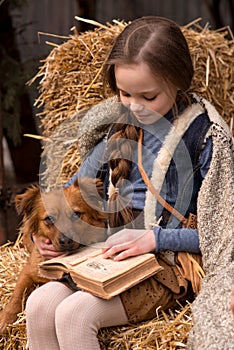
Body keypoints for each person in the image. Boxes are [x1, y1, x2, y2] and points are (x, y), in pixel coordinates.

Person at [25, 16, 234, 350]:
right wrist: (48, 236)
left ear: (178, 81)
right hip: (110, 255)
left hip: (168, 265)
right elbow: (68, 194)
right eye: (124, 94)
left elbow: (223, 235)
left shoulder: (204, 137)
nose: (135, 107)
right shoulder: (116, 128)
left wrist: (155, 238)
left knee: (74, 316)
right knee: (39, 306)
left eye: (148, 97)